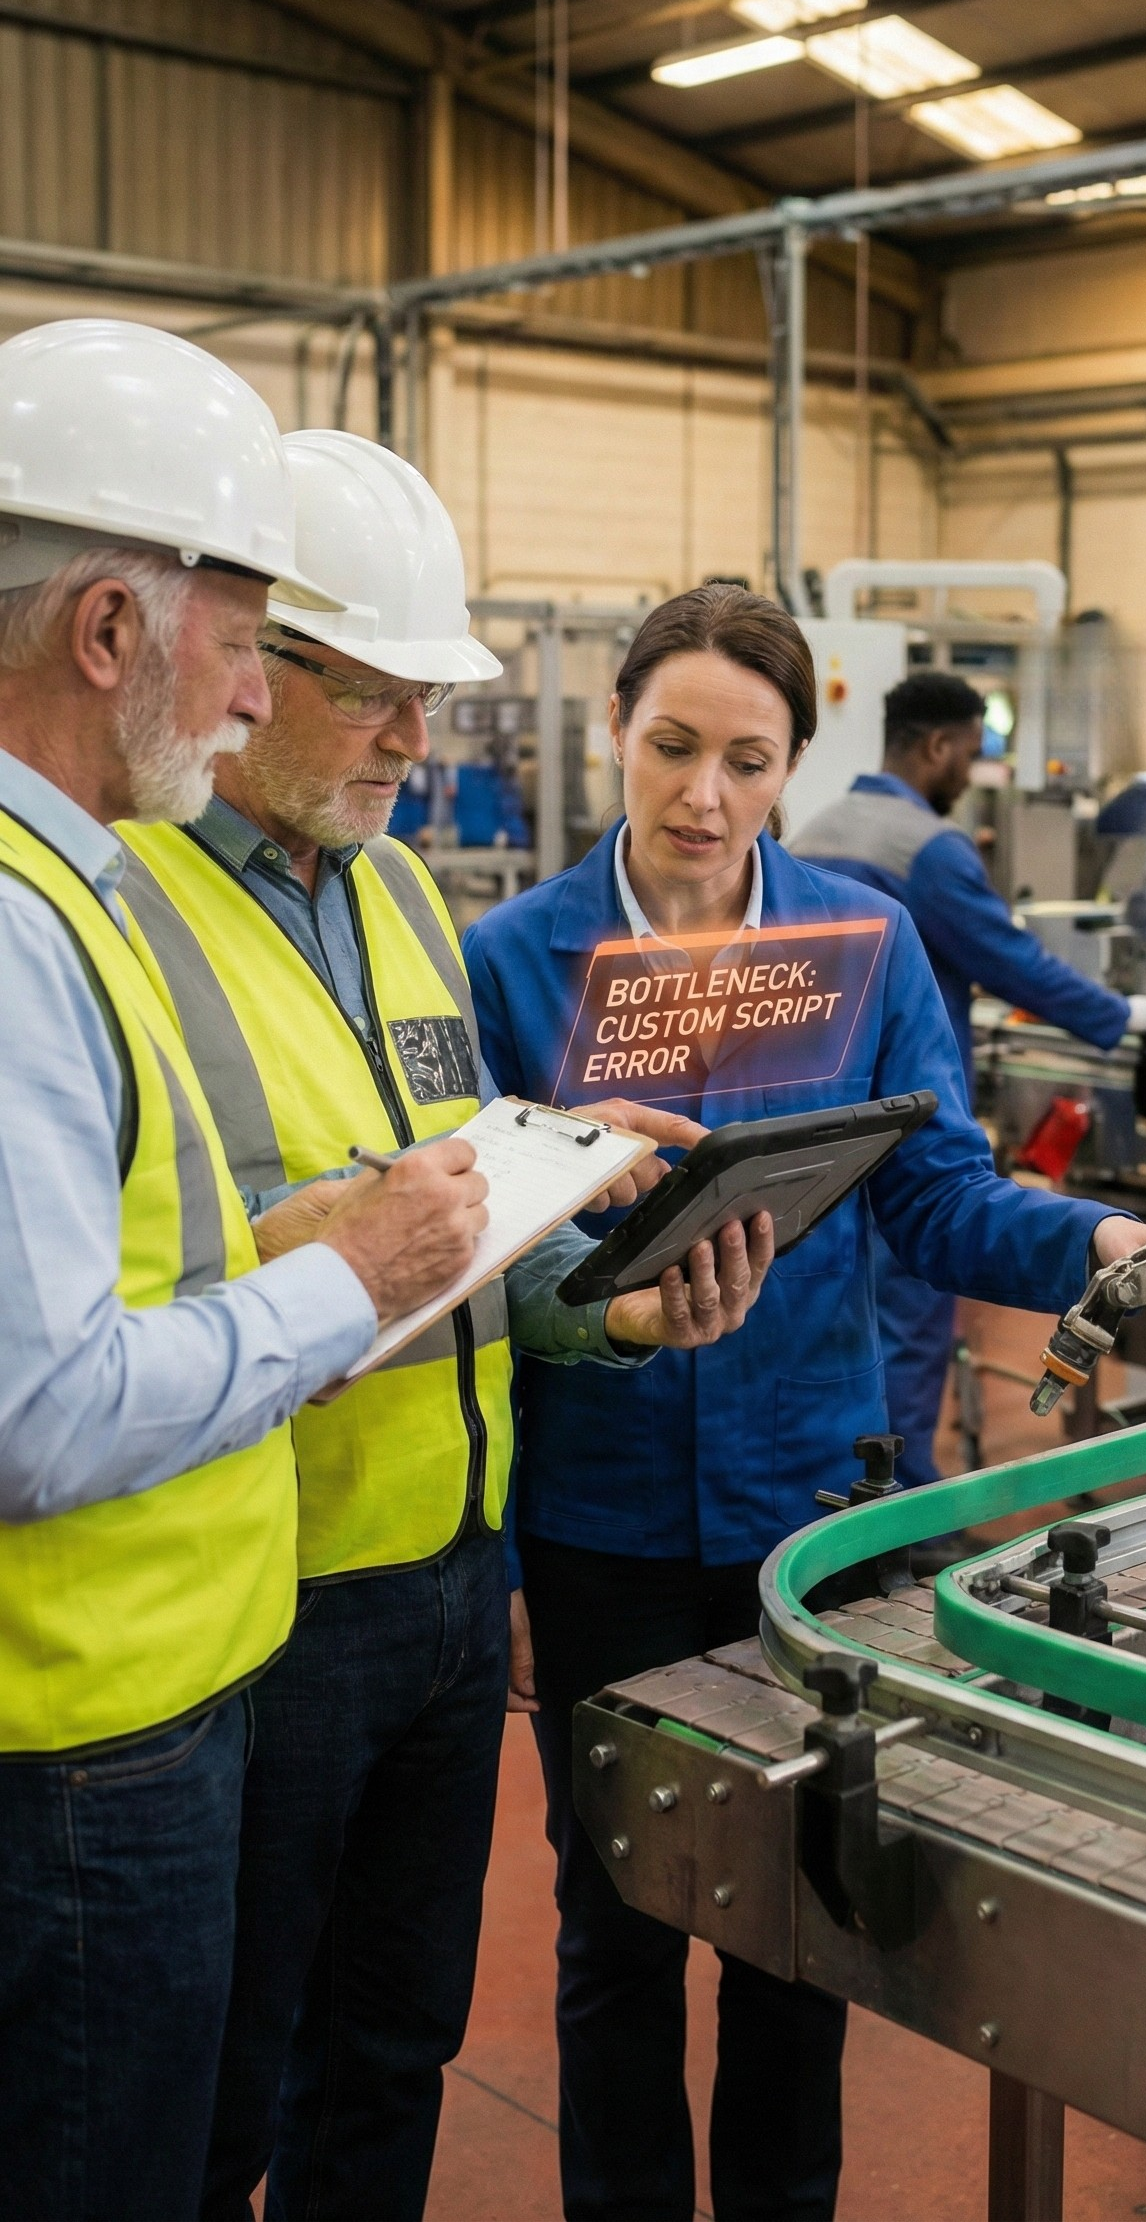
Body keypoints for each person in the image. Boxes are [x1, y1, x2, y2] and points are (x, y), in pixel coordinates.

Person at [464, 582, 1146, 2222]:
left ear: (793, 766)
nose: (704, 796)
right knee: (612, 1935)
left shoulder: (862, 942)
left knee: (796, 1928)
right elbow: (486, 1278)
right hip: (599, 1517)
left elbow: (938, 1197)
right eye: (672, 746)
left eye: (747, 761)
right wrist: (511, 1566)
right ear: (615, 730)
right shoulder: (512, 962)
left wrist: (1097, 1237)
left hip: (804, 1517)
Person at [114, 431, 774, 2222]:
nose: (417, 740)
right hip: (262, 1598)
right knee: (221, 2092)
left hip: (451, 1580)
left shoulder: (406, 893)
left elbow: (467, 1235)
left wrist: (613, 1310)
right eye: (376, 693)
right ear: (242, 662)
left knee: (393, 2046)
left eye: (433, 698)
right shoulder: (123, 903)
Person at [0, 322, 489, 2222]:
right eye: (252, 639)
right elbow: (40, 1411)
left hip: (210, 1660)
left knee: (343, 2066)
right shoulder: (56, 918)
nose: (256, 685)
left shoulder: (95, 886)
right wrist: (343, 1282)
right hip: (88, 1727)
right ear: (110, 627)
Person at [793, 668, 1146, 1488]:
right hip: (909, 1112)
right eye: (969, 754)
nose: (969, 774)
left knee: (840, 1312)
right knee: (910, 1306)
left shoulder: (817, 829)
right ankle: (901, 1502)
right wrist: (1124, 1015)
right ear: (937, 746)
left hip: (819, 1112)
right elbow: (1013, 961)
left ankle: (843, 1488)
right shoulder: (927, 849)